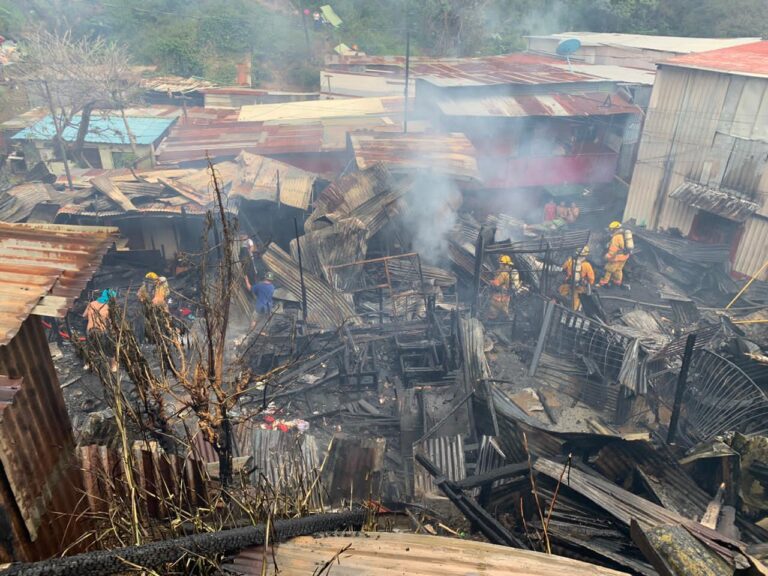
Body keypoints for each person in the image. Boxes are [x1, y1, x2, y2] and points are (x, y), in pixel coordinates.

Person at [83, 289, 118, 373]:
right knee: (109, 349)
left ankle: (87, 365)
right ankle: (113, 366)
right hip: (102, 331)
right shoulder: (109, 307)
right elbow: (112, 322)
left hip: (89, 330)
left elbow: (84, 316)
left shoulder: (91, 304)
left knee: (90, 348)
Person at [599, 221, 631, 290]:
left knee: (609, 269)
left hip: (617, 257)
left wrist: (608, 256)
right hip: (625, 256)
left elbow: (613, 250)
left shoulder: (616, 237)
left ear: (615, 229)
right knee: (618, 269)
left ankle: (604, 282)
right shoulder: (623, 235)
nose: (610, 231)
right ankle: (617, 281)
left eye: (611, 229)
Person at [487, 255, 521, 320]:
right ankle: (505, 320)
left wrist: (490, 281)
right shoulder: (509, 272)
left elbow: (497, 283)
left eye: (501, 264)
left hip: (499, 296)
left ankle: (492, 321)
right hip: (506, 296)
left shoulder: (504, 273)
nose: (500, 265)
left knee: (493, 309)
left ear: (504, 264)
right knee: (504, 311)